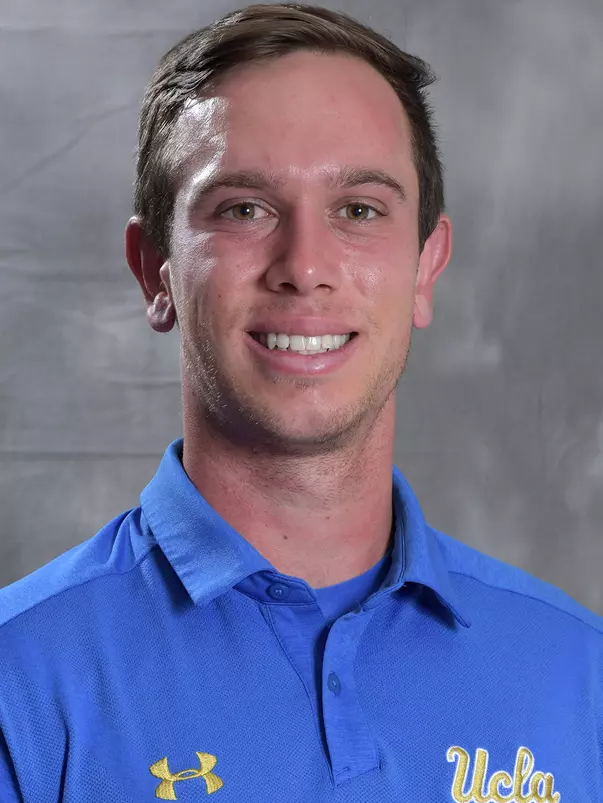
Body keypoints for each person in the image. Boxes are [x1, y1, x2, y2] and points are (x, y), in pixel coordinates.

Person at [0, 3, 601, 801]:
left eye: (358, 209)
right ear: (155, 272)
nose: (305, 266)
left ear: (425, 268)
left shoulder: (577, 672)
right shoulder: (21, 682)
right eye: (243, 208)